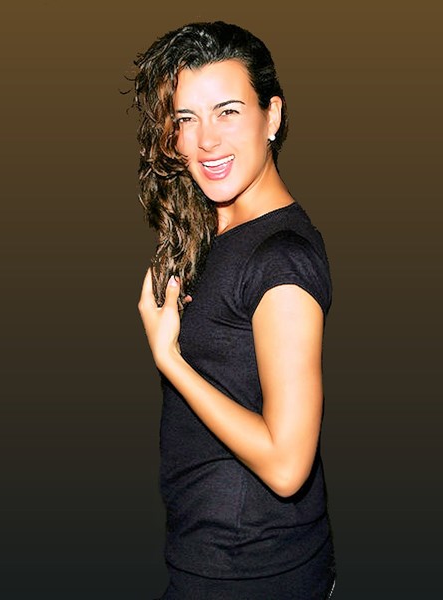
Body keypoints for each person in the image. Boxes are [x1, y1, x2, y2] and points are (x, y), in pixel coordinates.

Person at [132, 21, 336, 600]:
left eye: (227, 112)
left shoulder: (282, 259)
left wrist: (170, 360)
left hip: (250, 575)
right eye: (186, 118)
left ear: (272, 117)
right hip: (209, 557)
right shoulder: (219, 226)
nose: (205, 141)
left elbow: (287, 465)